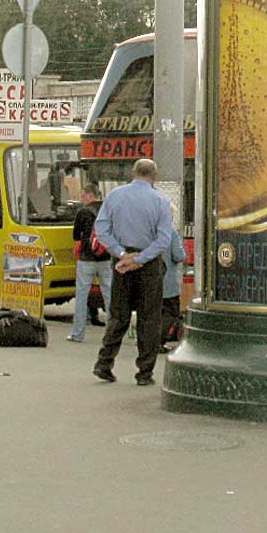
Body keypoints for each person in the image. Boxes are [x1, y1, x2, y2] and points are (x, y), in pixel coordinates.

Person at [92, 158, 177, 386]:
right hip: (148, 265)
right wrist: (139, 259)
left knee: (118, 315)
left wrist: (122, 254)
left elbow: (101, 229)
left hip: (121, 263)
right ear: (154, 176)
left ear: (133, 173)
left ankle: (104, 363)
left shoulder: (115, 196)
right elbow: (163, 240)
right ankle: (144, 373)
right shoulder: (160, 201)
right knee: (149, 319)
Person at [67, 182, 111, 342]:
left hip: (86, 259)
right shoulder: (108, 210)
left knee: (81, 295)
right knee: (109, 294)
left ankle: (77, 333)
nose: (81, 198)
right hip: (105, 258)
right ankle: (111, 332)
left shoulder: (83, 212)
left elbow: (76, 236)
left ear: (90, 195)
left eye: (82, 195)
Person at [161, 227, 186, 353]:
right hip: (168, 284)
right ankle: (160, 341)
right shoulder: (171, 233)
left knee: (152, 314)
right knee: (170, 313)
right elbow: (178, 255)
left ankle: (148, 343)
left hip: (150, 283)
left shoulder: (147, 230)